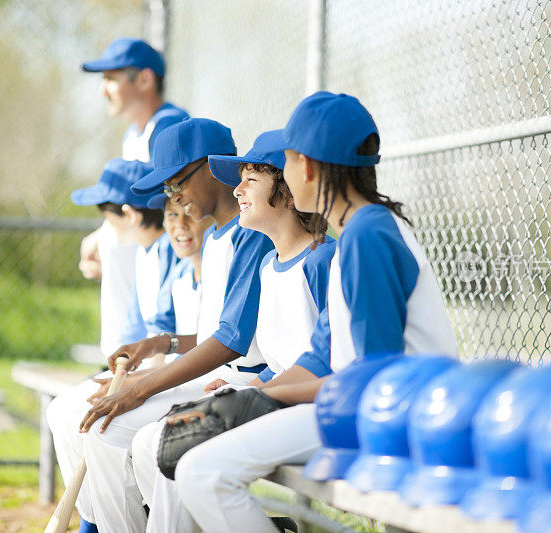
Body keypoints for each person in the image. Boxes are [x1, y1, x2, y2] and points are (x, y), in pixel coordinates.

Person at [171, 92, 460, 533]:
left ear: (305, 166)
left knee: (204, 473)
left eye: (284, 164)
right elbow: (320, 358)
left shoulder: (369, 235)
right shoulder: (353, 236)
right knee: (200, 463)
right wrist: (250, 395)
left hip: (398, 417)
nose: (283, 175)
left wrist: (268, 398)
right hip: (360, 407)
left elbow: (375, 376)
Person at [132, 130, 337, 533]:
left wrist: (255, 390)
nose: (237, 188)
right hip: (280, 397)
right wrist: (252, 384)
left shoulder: (324, 259)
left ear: (290, 190)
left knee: (180, 449)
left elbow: (328, 360)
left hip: (313, 407)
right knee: (161, 443)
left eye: (251, 179)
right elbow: (282, 357)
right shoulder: (267, 266)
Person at [77, 118, 274, 533]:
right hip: (219, 376)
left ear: (212, 167)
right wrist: (160, 344)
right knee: (105, 431)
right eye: (167, 189)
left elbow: (231, 341)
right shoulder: (218, 234)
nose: (174, 197)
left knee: (121, 436)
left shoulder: (251, 231)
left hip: (244, 381)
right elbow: (213, 336)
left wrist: (142, 386)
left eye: (177, 181)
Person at [48, 157, 175, 533]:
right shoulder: (144, 255)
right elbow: (137, 333)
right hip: (143, 371)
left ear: (129, 214)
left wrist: (139, 377)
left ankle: (111, 523)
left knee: (98, 428)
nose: (106, 227)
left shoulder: (172, 249)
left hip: (174, 376)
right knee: (62, 413)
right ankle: (94, 522)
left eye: (108, 216)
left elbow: (171, 337)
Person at [78, 37, 190, 358]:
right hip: (145, 290)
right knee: (112, 239)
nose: (103, 91)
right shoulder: (134, 134)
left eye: (111, 79)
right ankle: (120, 355)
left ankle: (129, 355)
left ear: (144, 79)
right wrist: (100, 233)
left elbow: (160, 216)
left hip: (171, 285)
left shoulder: (169, 126)